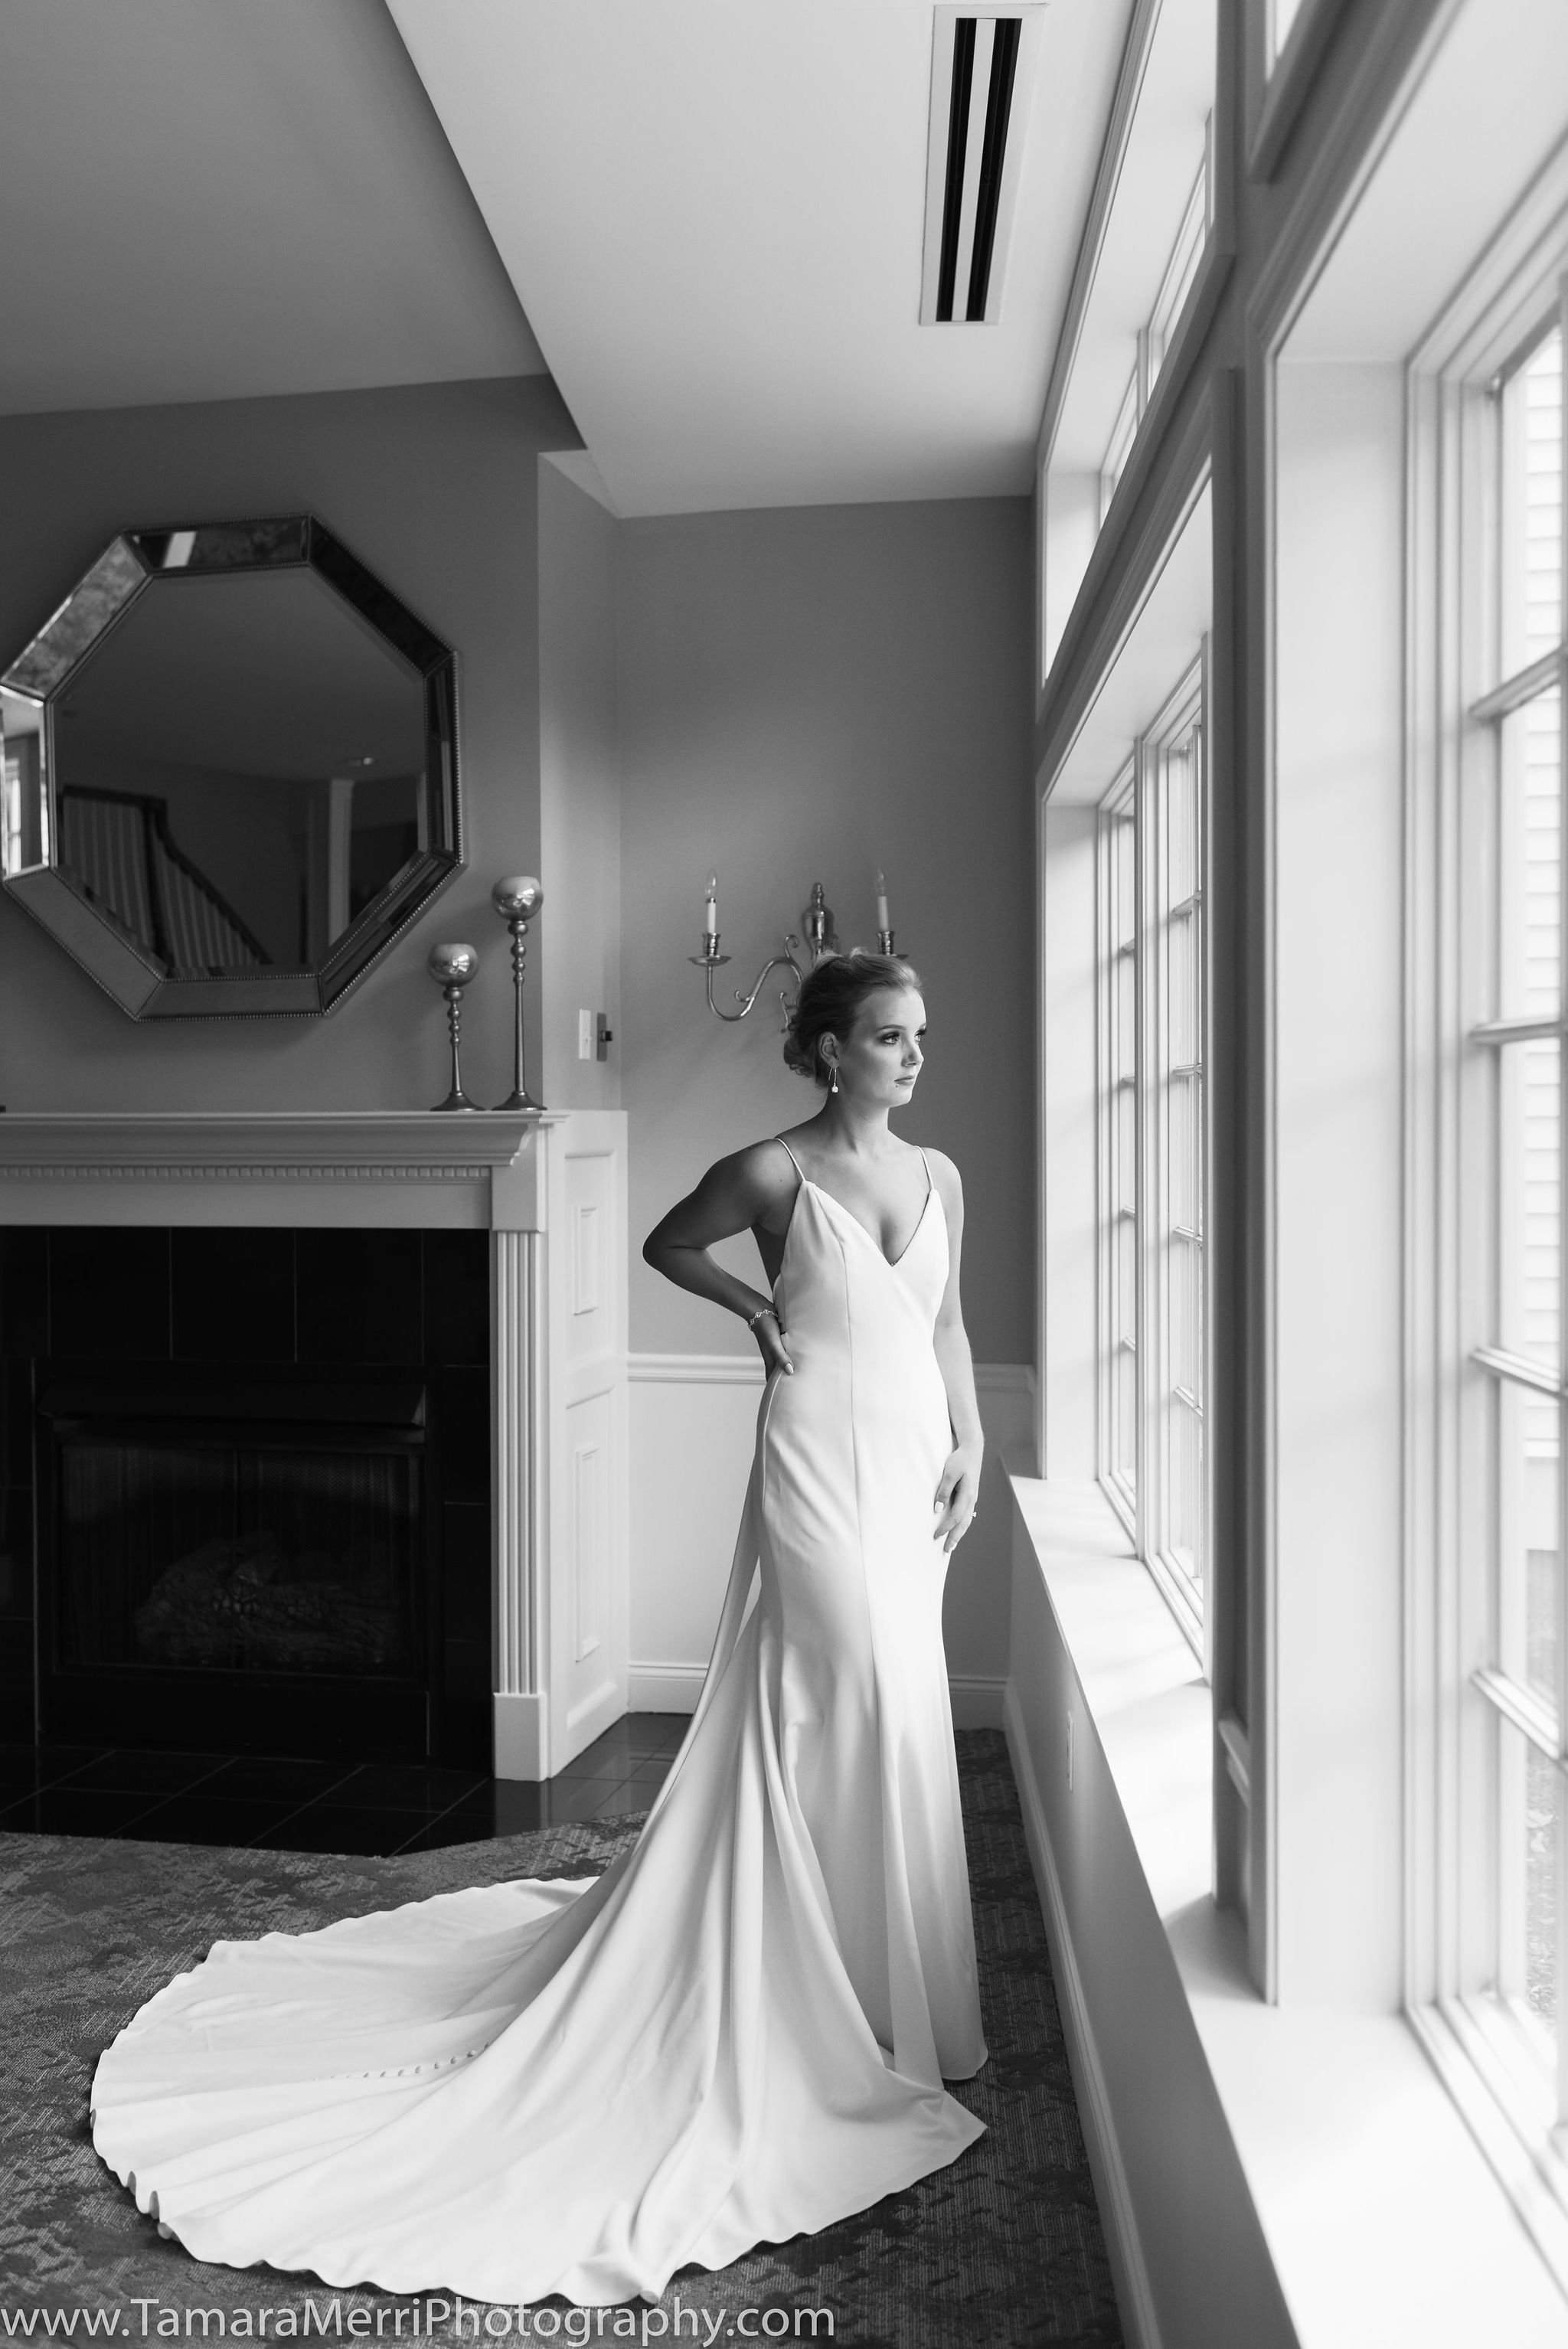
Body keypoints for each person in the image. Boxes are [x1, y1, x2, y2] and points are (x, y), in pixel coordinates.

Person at [90, 950, 987, 2308]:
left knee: (901, 1696)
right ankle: (797, 1992)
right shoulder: (769, 1173)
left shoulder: (945, 1179)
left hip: (914, 1450)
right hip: (814, 1458)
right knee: (837, 1688)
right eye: (888, 1037)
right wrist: (756, 1311)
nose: (914, 1056)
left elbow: (952, 1323)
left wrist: (972, 1432)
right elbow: (662, 1243)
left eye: (920, 1034)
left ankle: (887, 1987)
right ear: (824, 1054)